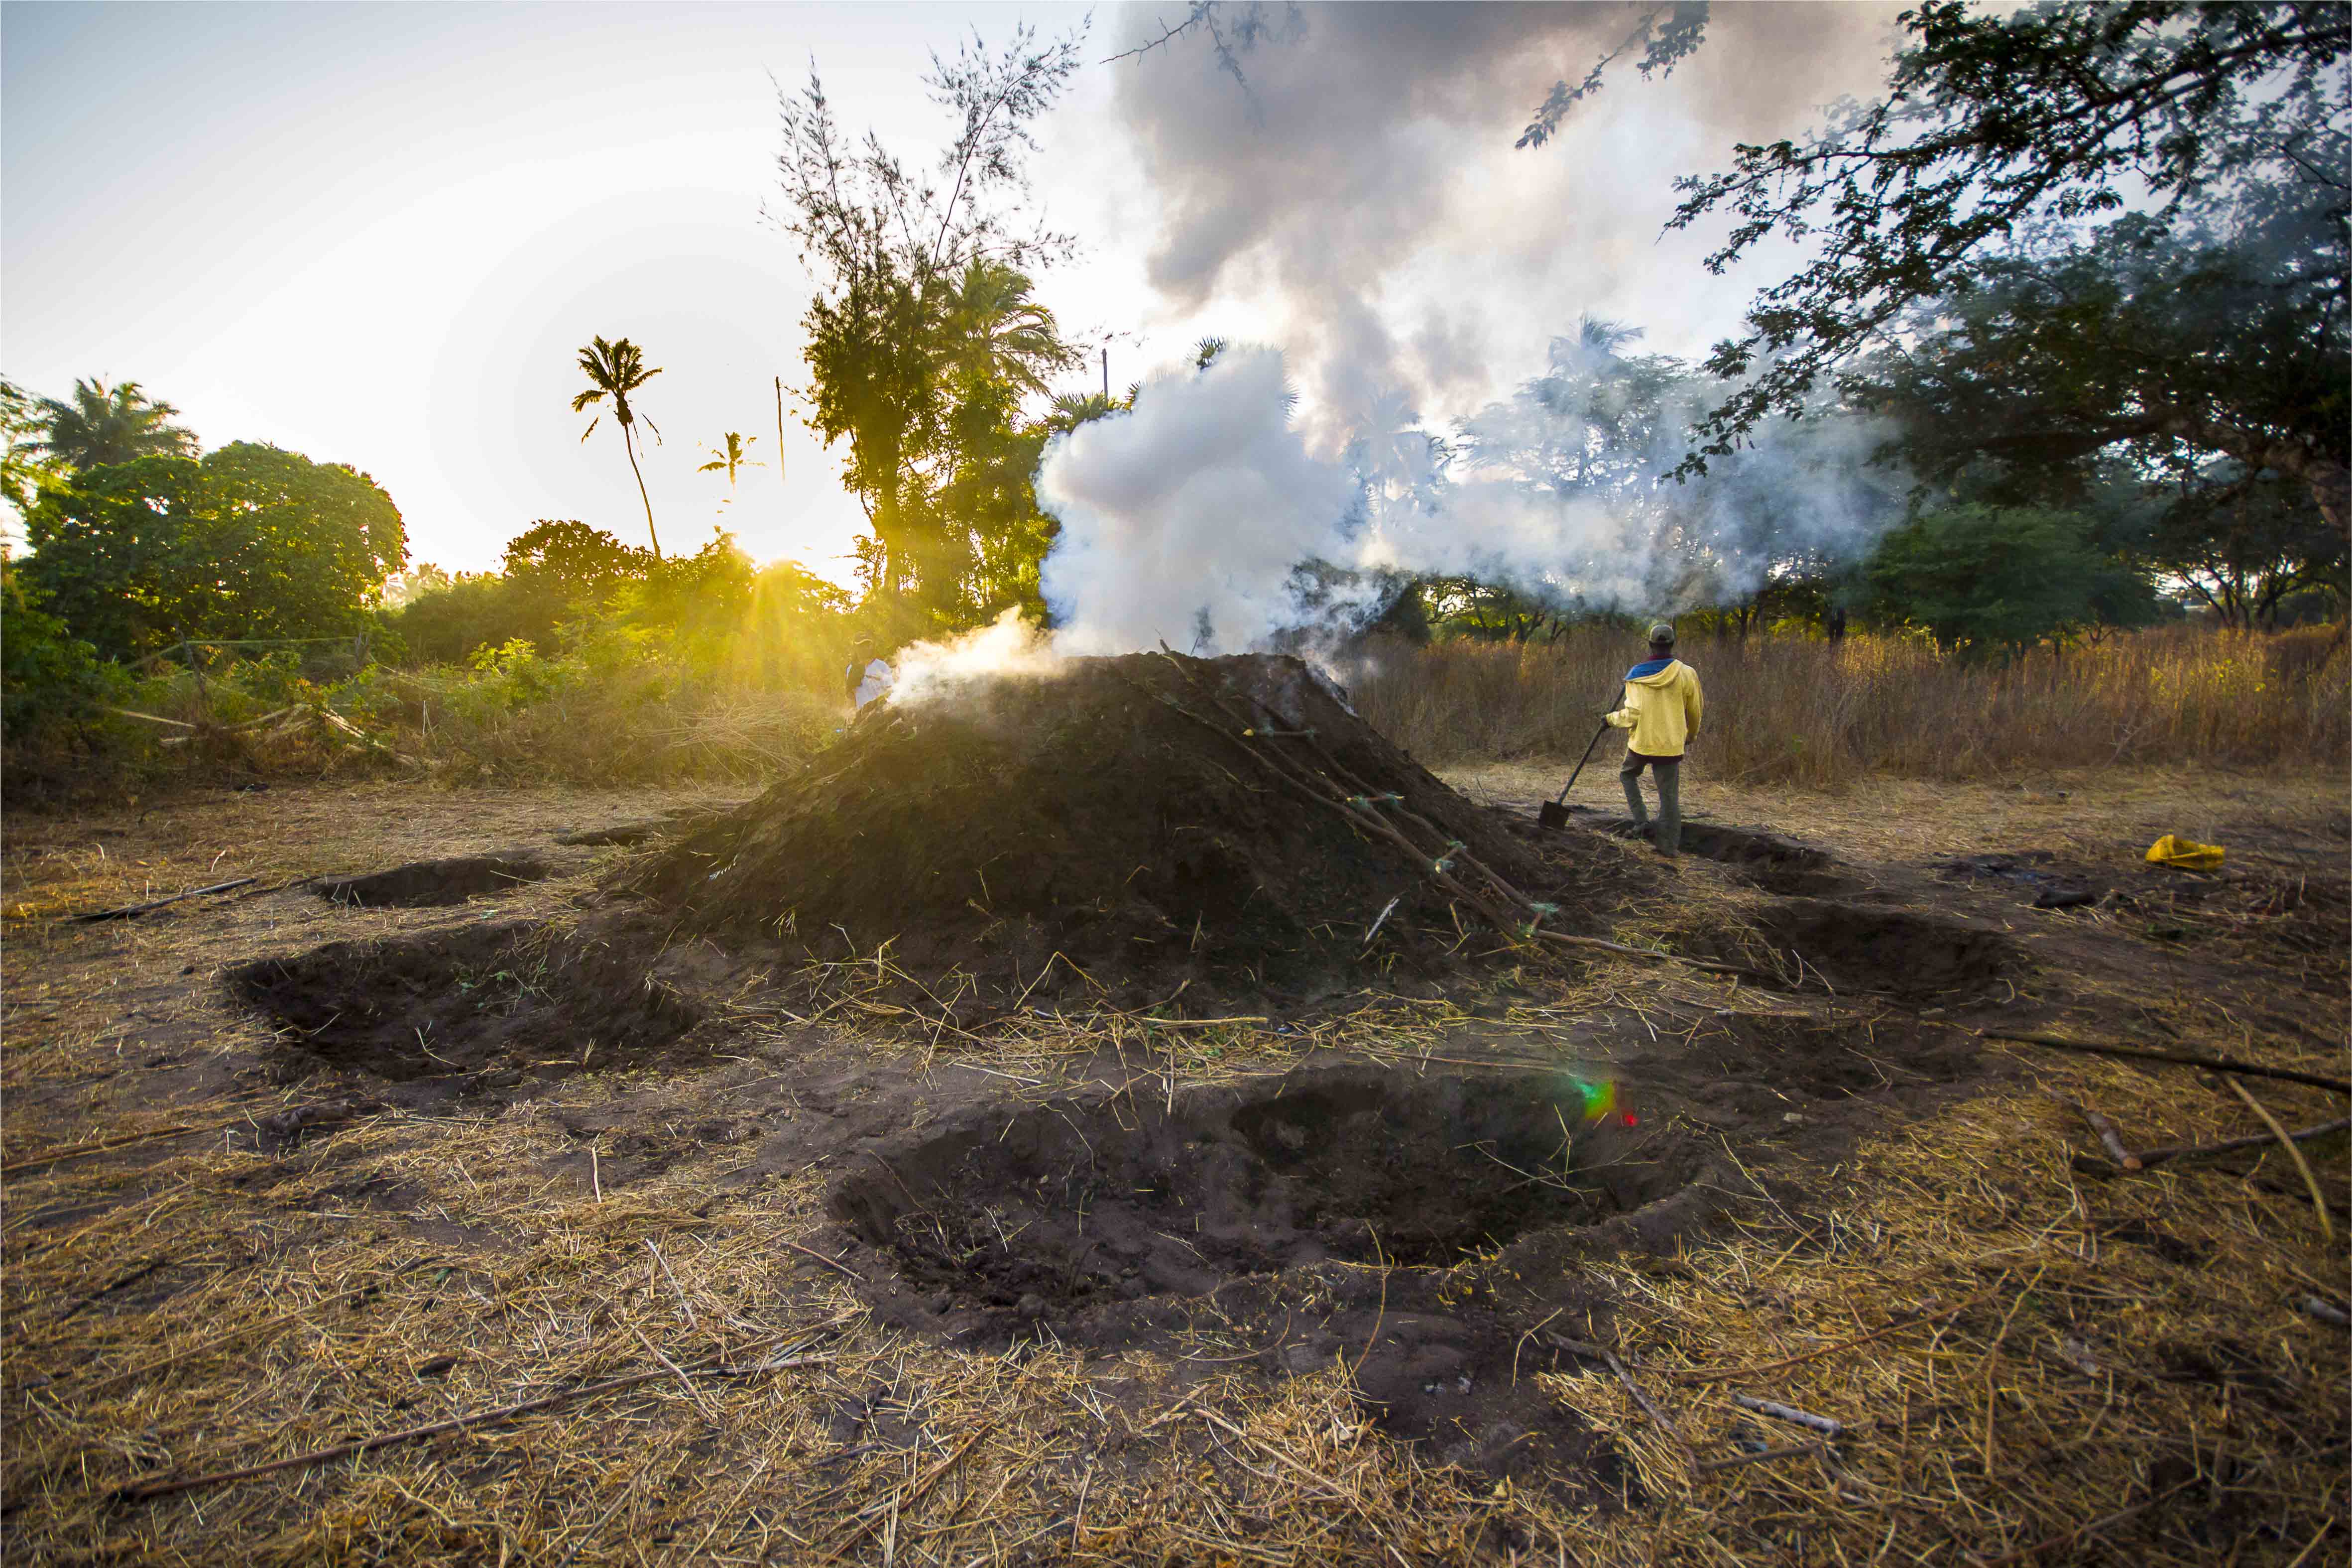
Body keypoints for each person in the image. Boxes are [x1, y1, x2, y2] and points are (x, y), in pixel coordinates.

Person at [1604, 621, 1703, 856]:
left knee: (1628, 775)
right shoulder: (1687, 673)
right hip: (1670, 745)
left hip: (1641, 744)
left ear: (1650, 645)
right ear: (1672, 645)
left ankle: (1641, 822)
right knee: (1668, 795)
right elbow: (1695, 711)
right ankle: (1668, 848)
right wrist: (1690, 735)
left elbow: (1632, 715)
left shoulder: (1636, 676)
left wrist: (1609, 720)